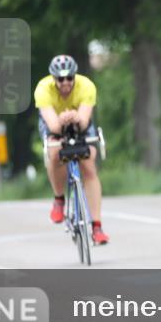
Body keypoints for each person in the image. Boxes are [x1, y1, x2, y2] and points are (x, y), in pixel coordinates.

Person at [34, 54, 108, 245]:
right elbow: (53, 126)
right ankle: (59, 199)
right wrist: (61, 120)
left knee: (88, 162)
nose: (65, 82)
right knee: (55, 153)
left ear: (75, 76)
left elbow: (83, 123)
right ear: (53, 79)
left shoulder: (87, 86)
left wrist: (75, 117)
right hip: (54, 122)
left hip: (78, 121)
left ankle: (97, 227)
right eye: (60, 79)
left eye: (69, 78)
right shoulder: (43, 89)